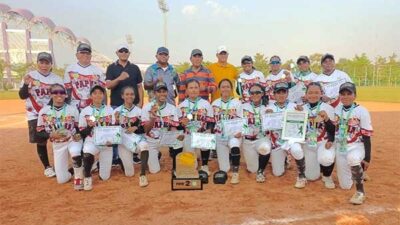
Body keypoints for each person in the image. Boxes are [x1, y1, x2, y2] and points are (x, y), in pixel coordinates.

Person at [18, 52, 63, 178]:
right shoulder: (30, 76)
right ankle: (47, 167)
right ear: (37, 63)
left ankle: (59, 164)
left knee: (58, 138)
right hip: (34, 114)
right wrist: (26, 84)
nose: (44, 65)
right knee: (41, 140)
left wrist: (49, 109)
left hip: (52, 114)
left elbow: (61, 96)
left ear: (51, 64)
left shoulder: (56, 79)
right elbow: (22, 96)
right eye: (41, 62)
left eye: (47, 63)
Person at [36, 84, 83, 189]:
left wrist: (78, 135)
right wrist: (50, 134)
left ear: (66, 95)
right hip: (58, 145)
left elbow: (79, 127)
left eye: (62, 92)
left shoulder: (72, 109)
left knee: (75, 151)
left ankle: (79, 178)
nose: (59, 95)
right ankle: (72, 171)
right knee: (61, 180)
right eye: (55, 92)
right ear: (50, 94)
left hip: (72, 140)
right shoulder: (44, 111)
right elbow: (39, 132)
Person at [334, 82, 372, 205]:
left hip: (356, 145)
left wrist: (367, 158)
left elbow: (366, 136)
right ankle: (358, 171)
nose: (345, 97)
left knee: (353, 158)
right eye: (342, 94)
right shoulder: (337, 109)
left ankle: (360, 192)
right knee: (345, 186)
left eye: (348, 93)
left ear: (354, 95)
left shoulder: (362, 111)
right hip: (341, 146)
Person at [262, 82, 307, 188]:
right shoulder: (269, 108)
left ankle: (302, 175)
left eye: (284, 92)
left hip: (291, 139)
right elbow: (266, 128)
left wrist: (301, 112)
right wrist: (267, 116)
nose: (281, 95)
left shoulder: (295, 106)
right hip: (277, 142)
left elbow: (303, 124)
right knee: (277, 173)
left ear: (287, 93)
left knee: (296, 149)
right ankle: (285, 159)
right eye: (278, 92)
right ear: (274, 94)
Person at [106, 43, 144, 165]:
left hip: (133, 105)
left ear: (129, 53)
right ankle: (116, 157)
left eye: (126, 51)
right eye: (121, 51)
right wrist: (119, 78)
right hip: (116, 104)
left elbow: (139, 86)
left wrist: (140, 102)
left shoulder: (134, 68)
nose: (123, 53)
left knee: (132, 129)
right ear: (117, 52)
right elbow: (108, 85)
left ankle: (133, 154)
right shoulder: (111, 67)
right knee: (117, 130)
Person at [300, 82, 336, 189]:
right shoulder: (301, 108)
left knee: (326, 159)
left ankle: (327, 176)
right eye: (310, 93)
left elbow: (333, 129)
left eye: (316, 92)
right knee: (311, 177)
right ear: (306, 94)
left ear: (321, 94)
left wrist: (326, 119)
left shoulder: (328, 108)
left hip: (323, 141)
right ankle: (317, 167)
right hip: (308, 143)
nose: (313, 95)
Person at [142, 82, 182, 174]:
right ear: (155, 93)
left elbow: (173, 127)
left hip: (166, 138)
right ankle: (156, 154)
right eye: (159, 91)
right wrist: (152, 118)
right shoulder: (147, 107)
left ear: (167, 92)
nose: (162, 94)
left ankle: (175, 168)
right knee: (154, 171)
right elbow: (146, 130)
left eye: (164, 91)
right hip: (152, 140)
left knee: (179, 140)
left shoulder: (172, 108)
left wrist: (176, 137)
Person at [79, 85, 114, 191]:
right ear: (91, 96)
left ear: (103, 95)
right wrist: (90, 126)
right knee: (87, 152)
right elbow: (82, 132)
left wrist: (111, 141)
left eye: (100, 93)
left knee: (105, 177)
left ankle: (96, 164)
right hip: (92, 140)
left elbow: (113, 129)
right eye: (95, 93)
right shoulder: (85, 111)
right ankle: (87, 176)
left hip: (106, 143)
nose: (98, 95)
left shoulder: (109, 110)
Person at [113, 86, 150, 187]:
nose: (130, 96)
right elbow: (112, 132)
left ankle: (142, 175)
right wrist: (116, 121)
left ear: (134, 96)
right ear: (122, 96)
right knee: (129, 173)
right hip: (123, 142)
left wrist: (135, 128)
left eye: (132, 94)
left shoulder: (139, 111)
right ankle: (122, 161)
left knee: (144, 146)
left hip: (136, 139)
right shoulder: (116, 111)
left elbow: (144, 129)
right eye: (127, 94)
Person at [178, 79, 214, 175]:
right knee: (190, 168)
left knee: (207, 136)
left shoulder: (206, 104)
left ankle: (205, 165)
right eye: (191, 88)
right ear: (186, 90)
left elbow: (211, 121)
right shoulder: (181, 105)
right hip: (189, 134)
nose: (193, 90)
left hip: (202, 133)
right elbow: (177, 125)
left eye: (196, 87)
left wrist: (208, 132)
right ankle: (195, 157)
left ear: (199, 90)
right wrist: (182, 123)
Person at [211, 79, 243, 184]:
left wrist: (240, 131)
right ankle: (229, 161)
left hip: (233, 134)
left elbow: (243, 120)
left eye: (228, 86)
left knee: (234, 144)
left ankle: (235, 172)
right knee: (224, 169)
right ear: (219, 89)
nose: (225, 89)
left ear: (231, 89)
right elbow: (211, 121)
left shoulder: (237, 103)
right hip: (220, 136)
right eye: (223, 87)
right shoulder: (215, 103)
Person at [240, 83, 271, 182]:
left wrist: (271, 114)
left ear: (262, 93)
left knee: (265, 148)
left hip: (262, 138)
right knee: (252, 169)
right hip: (248, 140)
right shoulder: (243, 106)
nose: (255, 95)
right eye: (252, 93)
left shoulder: (269, 106)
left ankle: (261, 171)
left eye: (258, 92)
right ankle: (258, 160)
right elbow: (237, 122)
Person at [64, 43, 106, 111]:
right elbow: (68, 90)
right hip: (75, 105)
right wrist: (66, 107)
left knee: (92, 121)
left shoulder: (98, 71)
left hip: (93, 105)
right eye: (82, 52)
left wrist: (104, 106)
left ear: (91, 56)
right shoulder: (70, 69)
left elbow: (103, 90)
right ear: (77, 55)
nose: (85, 55)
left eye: (88, 53)